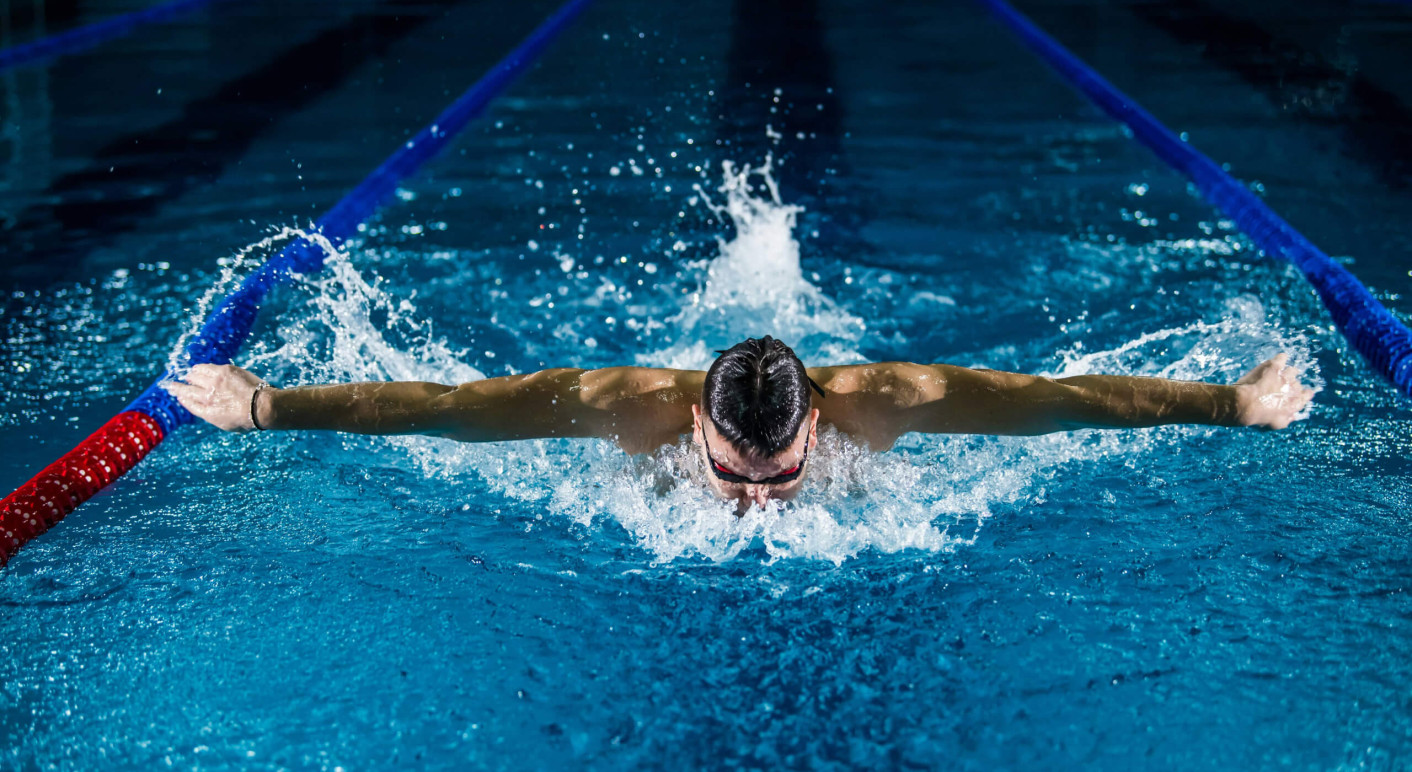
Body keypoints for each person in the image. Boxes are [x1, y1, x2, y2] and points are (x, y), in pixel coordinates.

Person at [164, 336, 1314, 512]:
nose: (752, 501)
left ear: (819, 416)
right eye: (731, 471)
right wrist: (265, 406)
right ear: (696, 427)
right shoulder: (627, 410)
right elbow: (450, 412)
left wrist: (1231, 404)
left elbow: (1062, 402)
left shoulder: (891, 400)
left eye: (775, 475)